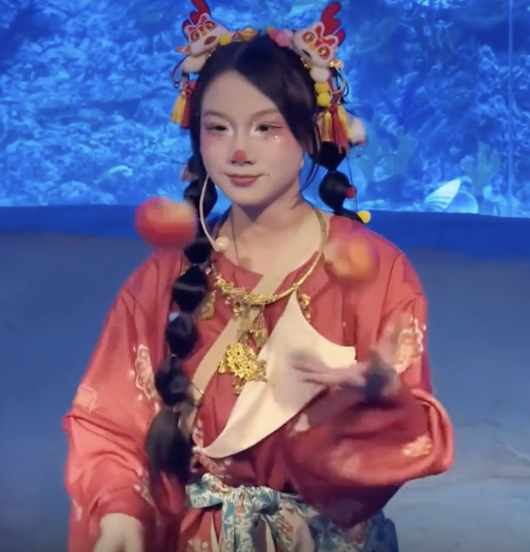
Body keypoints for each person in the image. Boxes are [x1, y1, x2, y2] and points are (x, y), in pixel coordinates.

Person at [63, 1, 454, 551]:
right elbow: (111, 421)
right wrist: (120, 514)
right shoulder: (164, 276)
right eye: (218, 128)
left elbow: (404, 440)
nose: (239, 151)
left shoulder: (375, 271)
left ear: (312, 133)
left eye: (266, 128)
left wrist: (382, 402)